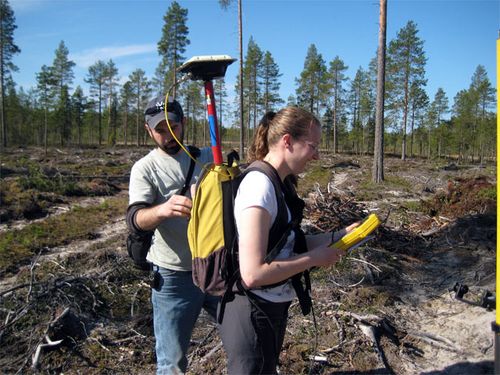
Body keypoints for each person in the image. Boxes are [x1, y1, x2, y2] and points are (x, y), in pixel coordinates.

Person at [218, 107, 359, 374]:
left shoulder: (278, 183)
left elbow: (288, 243)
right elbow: (253, 273)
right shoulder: (259, 188)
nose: (316, 155)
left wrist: (340, 236)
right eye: (312, 146)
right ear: (287, 141)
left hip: (270, 306)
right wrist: (313, 260)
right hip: (252, 310)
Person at [127, 94, 218, 374]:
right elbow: (135, 220)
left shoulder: (205, 157)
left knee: (246, 337)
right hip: (173, 277)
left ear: (184, 123)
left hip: (216, 268)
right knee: (172, 362)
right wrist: (163, 210)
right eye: (160, 130)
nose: (168, 135)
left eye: (173, 127)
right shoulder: (145, 168)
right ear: (148, 130)